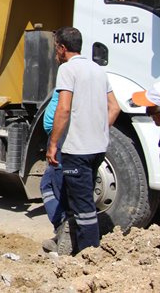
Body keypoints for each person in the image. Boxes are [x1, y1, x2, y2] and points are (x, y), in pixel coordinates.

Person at [46, 26, 120, 254]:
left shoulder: (67, 70)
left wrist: (53, 144)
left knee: (83, 206)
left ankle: (89, 255)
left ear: (62, 47)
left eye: (56, 48)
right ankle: (68, 245)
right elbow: (114, 107)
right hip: (97, 148)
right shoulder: (98, 70)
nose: (56, 53)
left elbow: (64, 109)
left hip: (76, 150)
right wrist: (98, 128)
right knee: (75, 198)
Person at [40, 90, 66, 252]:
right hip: (59, 136)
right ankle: (62, 232)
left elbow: (64, 109)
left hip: (61, 138)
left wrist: (54, 143)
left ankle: (63, 233)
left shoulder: (69, 73)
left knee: (53, 185)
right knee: (49, 184)